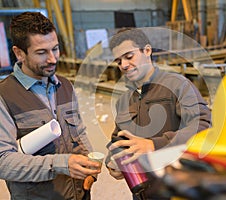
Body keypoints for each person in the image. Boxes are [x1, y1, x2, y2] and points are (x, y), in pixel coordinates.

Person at [0, 12, 101, 200]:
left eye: (55, 49)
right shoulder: (4, 96)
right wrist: (61, 164)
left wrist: (90, 166)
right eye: (41, 52)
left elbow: (78, 132)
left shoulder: (65, 86)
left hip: (80, 194)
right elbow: (3, 161)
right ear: (19, 53)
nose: (53, 59)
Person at [105, 28, 211, 199]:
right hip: (143, 192)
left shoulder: (178, 85)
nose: (124, 65)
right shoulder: (124, 100)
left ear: (147, 51)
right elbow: (119, 139)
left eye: (129, 56)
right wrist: (113, 161)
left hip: (177, 189)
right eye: (118, 61)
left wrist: (155, 144)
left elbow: (204, 127)